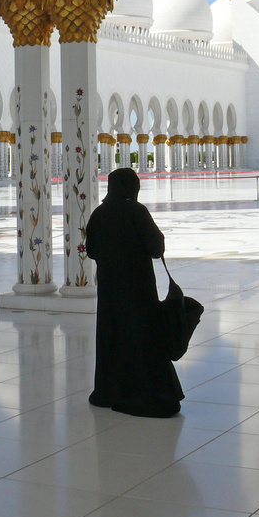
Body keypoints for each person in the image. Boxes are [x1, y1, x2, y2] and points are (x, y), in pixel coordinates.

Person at [85, 167, 184, 418]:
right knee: (140, 335)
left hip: (109, 290)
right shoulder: (137, 211)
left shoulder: (99, 213)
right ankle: (140, 390)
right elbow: (155, 247)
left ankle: (109, 390)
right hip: (138, 289)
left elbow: (92, 250)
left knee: (112, 335)